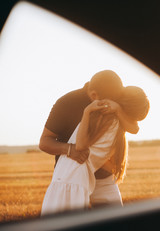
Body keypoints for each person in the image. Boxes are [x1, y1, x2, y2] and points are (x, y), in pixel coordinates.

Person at [41, 75, 150, 215]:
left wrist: (117, 109)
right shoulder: (67, 103)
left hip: (103, 177)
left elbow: (134, 128)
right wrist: (69, 149)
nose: (107, 103)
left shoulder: (114, 96)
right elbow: (44, 142)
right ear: (94, 95)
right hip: (75, 173)